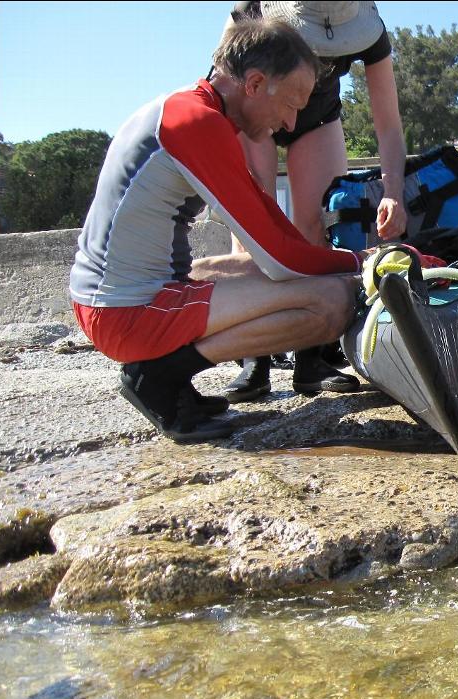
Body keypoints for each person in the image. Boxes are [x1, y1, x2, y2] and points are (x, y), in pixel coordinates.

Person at [68, 17, 371, 443]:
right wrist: (363, 261)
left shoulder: (190, 109)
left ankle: (172, 375)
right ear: (254, 83)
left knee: (301, 275)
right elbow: (282, 259)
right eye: (290, 103)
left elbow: (273, 230)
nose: (290, 123)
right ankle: (157, 376)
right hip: (123, 314)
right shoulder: (196, 123)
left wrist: (342, 262)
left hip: (115, 297)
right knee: (333, 302)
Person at [223, 0, 408, 401]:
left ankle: (312, 359)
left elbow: (389, 124)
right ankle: (253, 357)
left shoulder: (367, 24)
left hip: (318, 116)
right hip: (256, 112)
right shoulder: (250, 9)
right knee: (251, 227)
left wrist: (394, 194)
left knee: (319, 224)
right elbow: (222, 90)